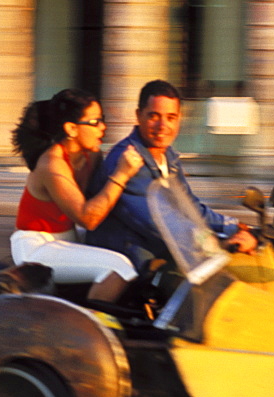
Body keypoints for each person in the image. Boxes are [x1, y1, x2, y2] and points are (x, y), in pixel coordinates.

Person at [86, 79, 257, 271]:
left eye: (171, 117)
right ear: (138, 116)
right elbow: (159, 224)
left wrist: (234, 226)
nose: (162, 126)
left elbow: (189, 207)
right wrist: (215, 244)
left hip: (161, 251)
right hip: (133, 261)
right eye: (154, 116)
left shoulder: (168, 156)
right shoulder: (128, 159)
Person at [11, 88, 144, 302]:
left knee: (130, 249)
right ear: (72, 129)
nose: (103, 127)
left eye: (103, 119)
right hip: (37, 247)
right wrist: (122, 174)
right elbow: (88, 218)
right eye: (95, 122)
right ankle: (92, 328)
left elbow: (104, 198)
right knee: (118, 268)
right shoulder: (52, 164)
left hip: (67, 240)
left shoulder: (91, 155)